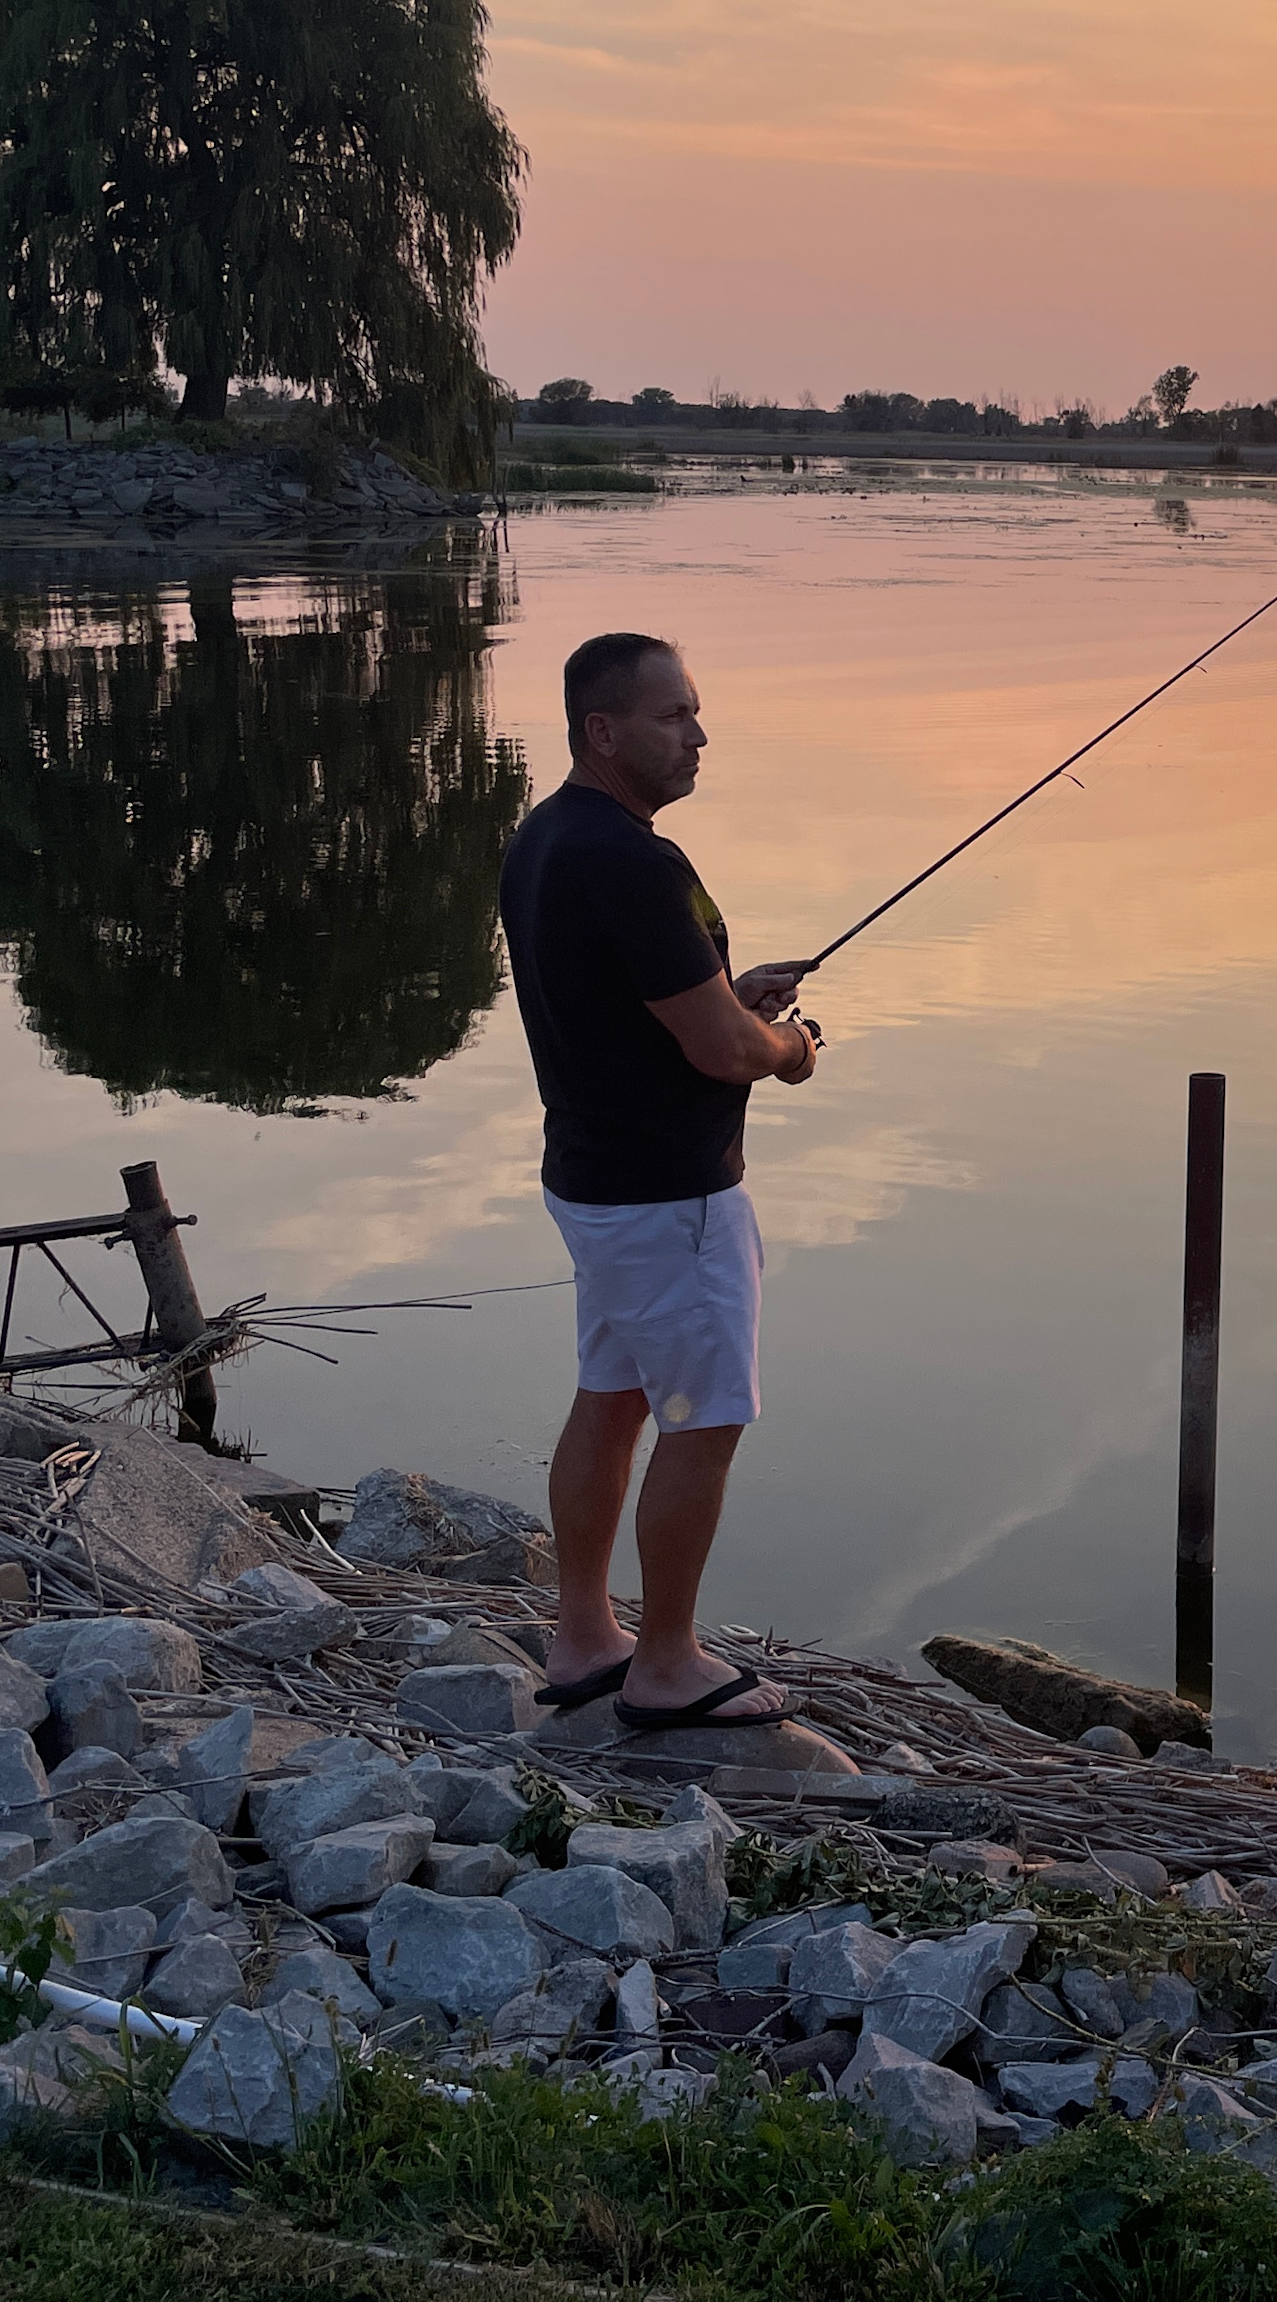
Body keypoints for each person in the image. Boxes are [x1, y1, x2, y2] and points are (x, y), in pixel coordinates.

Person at [498, 631, 822, 1731]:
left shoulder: (547, 838)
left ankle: (586, 1634)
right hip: (671, 1197)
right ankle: (668, 1662)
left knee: (616, 1394)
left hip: (593, 1178)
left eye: (694, 713)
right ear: (603, 730)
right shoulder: (639, 861)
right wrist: (791, 1042)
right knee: (706, 1415)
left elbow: (663, 1003)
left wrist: (735, 993)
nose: (698, 735)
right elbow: (726, 1053)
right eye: (674, 715)